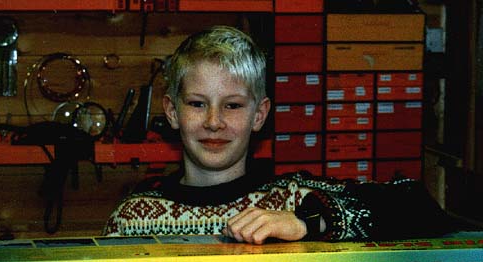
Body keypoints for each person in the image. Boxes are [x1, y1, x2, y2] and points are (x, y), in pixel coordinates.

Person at [103, 25, 454, 244]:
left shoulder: (292, 199)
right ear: (171, 111)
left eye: (233, 106)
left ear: (259, 115)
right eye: (197, 104)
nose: (213, 121)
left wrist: (309, 223)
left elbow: (420, 207)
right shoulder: (132, 218)